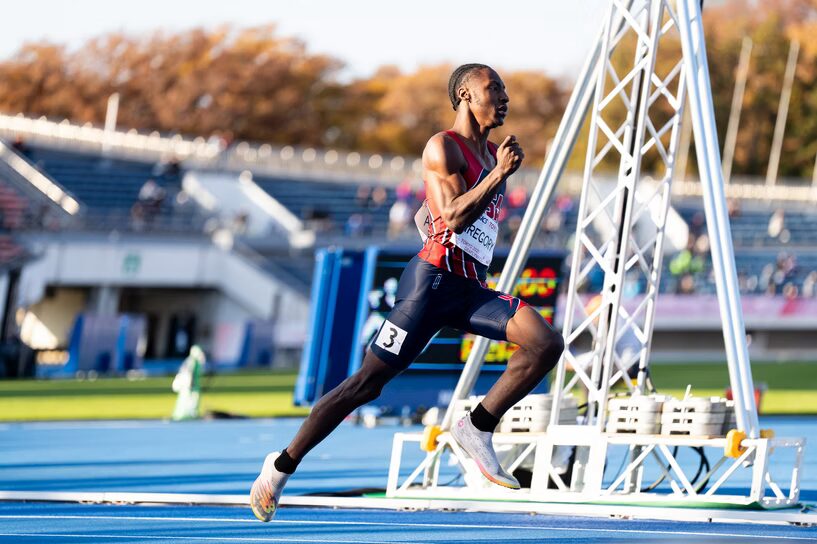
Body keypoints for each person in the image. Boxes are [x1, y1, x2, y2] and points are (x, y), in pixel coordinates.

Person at [249, 63, 565, 522]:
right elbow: (454, 216)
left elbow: (430, 213)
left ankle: (476, 427)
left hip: (469, 289)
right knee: (365, 385)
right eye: (492, 88)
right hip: (431, 287)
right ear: (463, 95)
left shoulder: (491, 152)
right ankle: (279, 467)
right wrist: (497, 177)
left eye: (504, 88)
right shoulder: (443, 146)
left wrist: (476, 186)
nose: (504, 96)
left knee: (545, 343)